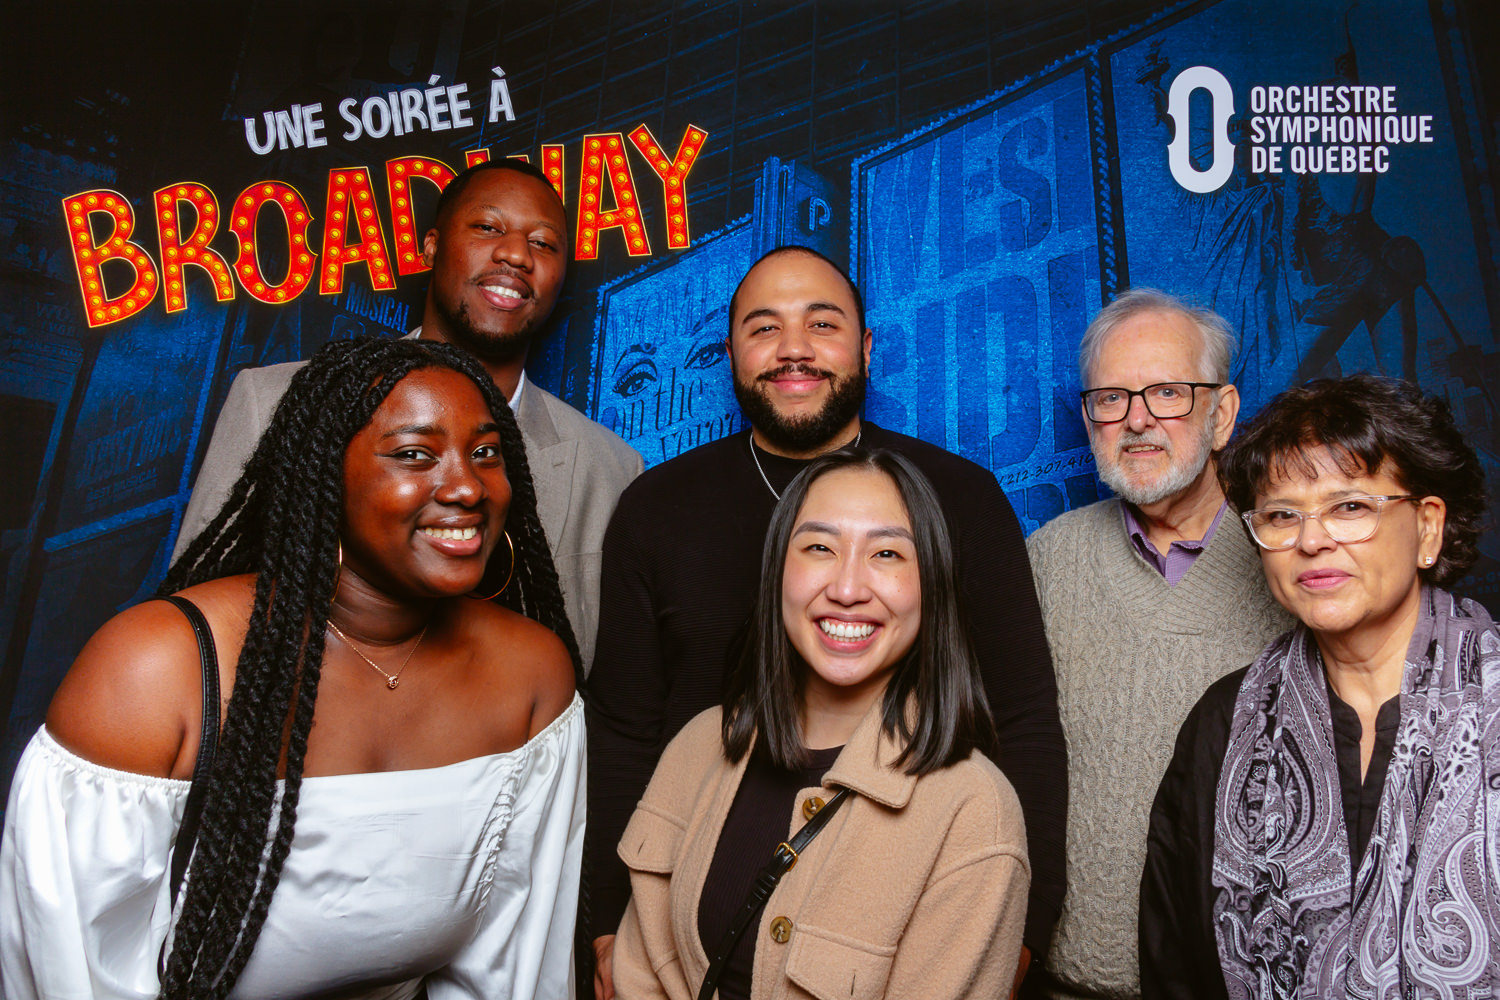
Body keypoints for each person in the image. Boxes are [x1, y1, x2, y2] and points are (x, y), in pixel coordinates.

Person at [1, 337, 584, 1000]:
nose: (467, 487)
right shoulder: (156, 669)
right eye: (414, 455)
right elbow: (72, 975)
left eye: (486, 454)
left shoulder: (531, 676)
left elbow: (515, 973)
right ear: (322, 476)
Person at [588, 245, 1063, 997]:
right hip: (693, 893)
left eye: (822, 323)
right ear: (731, 354)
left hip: (889, 897)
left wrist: (1021, 936)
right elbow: (621, 730)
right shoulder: (656, 507)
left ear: (866, 347)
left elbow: (1025, 719)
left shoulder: (961, 499)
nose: (794, 349)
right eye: (764, 327)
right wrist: (607, 922)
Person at [174, 158, 641, 671]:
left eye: (544, 243)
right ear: (431, 246)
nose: (515, 254)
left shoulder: (610, 467)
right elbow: (196, 627)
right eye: (488, 227)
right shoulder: (271, 401)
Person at [611, 447, 1029, 1000]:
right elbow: (641, 970)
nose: (848, 589)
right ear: (778, 572)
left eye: (886, 553)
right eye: (819, 548)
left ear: (931, 584)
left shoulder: (974, 811)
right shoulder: (699, 745)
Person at [1140, 373, 1494, 999]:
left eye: (1350, 507)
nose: (1310, 540)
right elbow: (1176, 967)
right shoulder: (1222, 722)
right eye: (1282, 515)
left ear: (1428, 527)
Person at [1025, 289, 1292, 999]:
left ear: (1222, 414)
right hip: (1059, 983)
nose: (1137, 419)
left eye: (1168, 393)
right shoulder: (1047, 559)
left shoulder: (1294, 561)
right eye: (1111, 398)